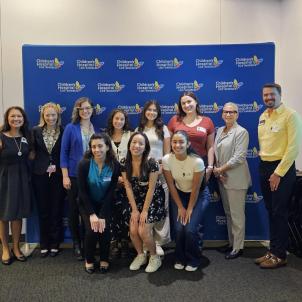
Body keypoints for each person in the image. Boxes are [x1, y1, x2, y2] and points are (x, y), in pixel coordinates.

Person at [256, 83, 302, 269]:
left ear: (280, 95)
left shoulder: (291, 115)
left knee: (280, 212)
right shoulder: (263, 116)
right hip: (264, 167)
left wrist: (278, 173)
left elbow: (292, 149)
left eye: (272, 95)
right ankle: (272, 250)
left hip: (281, 169)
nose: (268, 98)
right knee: (271, 210)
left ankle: (280, 254)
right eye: (265, 95)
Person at [121, 132, 165, 273]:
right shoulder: (123, 162)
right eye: (134, 142)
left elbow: (152, 189)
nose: (137, 146)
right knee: (133, 229)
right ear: (129, 145)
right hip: (135, 199)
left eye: (141, 144)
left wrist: (144, 211)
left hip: (152, 199)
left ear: (145, 147)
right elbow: (127, 186)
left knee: (143, 230)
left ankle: (154, 257)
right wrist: (134, 210)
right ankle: (140, 255)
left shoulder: (151, 163)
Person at [163, 130, 207, 271]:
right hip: (179, 194)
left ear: (188, 144)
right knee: (178, 228)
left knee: (190, 229)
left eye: (181, 142)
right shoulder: (167, 160)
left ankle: (193, 258)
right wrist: (181, 207)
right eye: (174, 142)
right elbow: (171, 185)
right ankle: (179, 257)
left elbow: (195, 189)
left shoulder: (197, 161)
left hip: (198, 195)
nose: (177, 145)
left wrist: (189, 208)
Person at [77, 133, 120, 274]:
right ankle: (89, 259)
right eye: (93, 146)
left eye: (100, 146)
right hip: (87, 204)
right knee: (91, 230)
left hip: (105, 204)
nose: (97, 150)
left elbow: (111, 191)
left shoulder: (115, 165)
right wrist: (92, 214)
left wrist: (101, 215)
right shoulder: (84, 164)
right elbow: (82, 192)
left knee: (104, 229)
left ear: (107, 147)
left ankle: (104, 258)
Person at [213, 102, 251, 260]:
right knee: (229, 213)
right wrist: (218, 170)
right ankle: (231, 243)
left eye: (232, 112)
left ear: (237, 114)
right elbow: (216, 152)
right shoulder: (220, 130)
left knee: (237, 215)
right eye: (226, 112)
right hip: (223, 178)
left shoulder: (241, 132)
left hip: (236, 179)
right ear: (222, 114)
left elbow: (239, 157)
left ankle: (238, 247)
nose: (229, 114)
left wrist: (220, 170)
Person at [60, 97, 96, 260]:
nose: (85, 111)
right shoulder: (70, 128)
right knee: (74, 211)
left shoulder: (96, 129)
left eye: (88, 108)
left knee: (88, 210)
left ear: (92, 109)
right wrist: (65, 176)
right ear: (77, 111)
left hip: (92, 176)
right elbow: (64, 153)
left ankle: (90, 242)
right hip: (74, 176)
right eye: (82, 109)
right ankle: (77, 244)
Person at [137, 100, 171, 256]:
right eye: (149, 109)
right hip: (143, 174)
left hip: (159, 172)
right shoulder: (139, 129)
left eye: (154, 110)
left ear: (158, 113)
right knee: (145, 207)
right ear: (144, 111)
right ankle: (147, 240)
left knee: (161, 207)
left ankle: (159, 242)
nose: (151, 112)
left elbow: (167, 154)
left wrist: (161, 168)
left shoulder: (163, 129)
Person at [31, 102, 65, 258]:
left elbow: (65, 153)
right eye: (47, 115)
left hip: (58, 176)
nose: (50, 117)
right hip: (40, 175)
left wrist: (57, 167)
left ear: (57, 116)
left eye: (53, 115)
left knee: (56, 210)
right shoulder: (35, 131)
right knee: (43, 210)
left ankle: (55, 243)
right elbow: (32, 153)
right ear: (43, 116)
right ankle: (44, 243)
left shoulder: (64, 131)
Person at [0, 106, 32, 265]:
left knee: (18, 214)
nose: (16, 119)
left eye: (19, 116)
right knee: (4, 215)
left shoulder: (26, 135)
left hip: (22, 178)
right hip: (4, 179)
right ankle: (5, 248)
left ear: (23, 119)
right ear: (7, 118)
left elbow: (31, 156)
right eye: (12, 116)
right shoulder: (1, 136)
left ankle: (16, 247)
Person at [168, 91, 215, 182]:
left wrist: (210, 166)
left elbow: (210, 146)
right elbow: (169, 145)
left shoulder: (207, 121)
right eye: (183, 103)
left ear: (196, 102)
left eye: (189, 101)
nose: (186, 105)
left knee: (200, 193)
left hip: (201, 162)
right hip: (179, 163)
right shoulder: (174, 120)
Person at [106, 109, 132, 258]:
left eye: (122, 119)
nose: (119, 122)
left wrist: (125, 178)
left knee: (126, 213)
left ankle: (126, 242)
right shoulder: (105, 137)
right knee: (112, 213)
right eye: (116, 119)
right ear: (112, 120)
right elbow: (101, 159)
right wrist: (114, 178)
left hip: (127, 181)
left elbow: (135, 156)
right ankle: (114, 243)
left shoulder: (130, 135)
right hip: (110, 182)